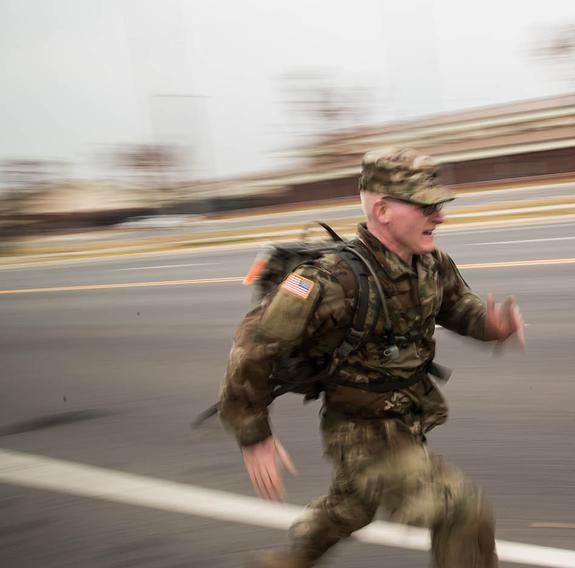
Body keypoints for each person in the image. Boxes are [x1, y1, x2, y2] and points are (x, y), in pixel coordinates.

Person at [217, 147, 525, 568]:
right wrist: (253, 434)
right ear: (382, 210)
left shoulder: (430, 264)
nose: (440, 217)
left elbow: (457, 307)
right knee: (461, 510)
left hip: (408, 415)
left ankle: (288, 561)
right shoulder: (328, 280)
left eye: (439, 205)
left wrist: (494, 327)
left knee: (352, 507)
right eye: (426, 206)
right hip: (361, 431)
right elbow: (253, 348)